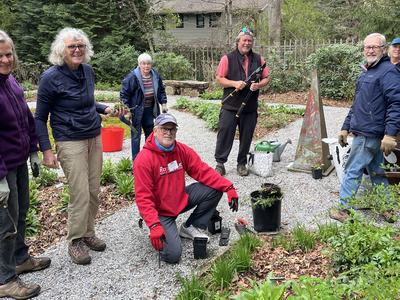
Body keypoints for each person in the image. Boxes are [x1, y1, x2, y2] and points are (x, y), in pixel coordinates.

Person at [35, 28, 117, 265]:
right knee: (79, 192)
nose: (77, 50)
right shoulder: (51, 77)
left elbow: (88, 101)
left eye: (81, 46)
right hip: (69, 140)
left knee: (93, 190)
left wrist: (104, 108)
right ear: (62, 50)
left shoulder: (87, 71)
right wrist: (46, 150)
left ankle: (88, 233)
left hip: (93, 135)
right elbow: (40, 117)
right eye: (72, 46)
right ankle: (75, 241)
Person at [134, 113, 239, 264]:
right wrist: (154, 224)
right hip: (160, 212)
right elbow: (143, 197)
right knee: (173, 255)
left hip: (179, 199)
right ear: (155, 131)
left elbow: (202, 170)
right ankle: (161, 229)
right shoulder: (144, 160)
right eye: (164, 128)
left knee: (215, 188)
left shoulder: (181, 150)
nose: (168, 133)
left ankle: (191, 226)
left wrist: (228, 187)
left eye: (172, 129)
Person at [0, 30, 50, 299]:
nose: (7, 60)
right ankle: (5, 279)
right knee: (3, 224)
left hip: (18, 161)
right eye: (1, 56)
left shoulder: (10, 82)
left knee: (20, 213)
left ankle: (20, 258)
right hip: (2, 168)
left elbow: (26, 119)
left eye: (9, 54)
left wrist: (33, 151)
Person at [330, 33, 400, 223]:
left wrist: (391, 134)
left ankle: (344, 209)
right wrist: (345, 127)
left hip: (370, 134)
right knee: (377, 172)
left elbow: (396, 103)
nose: (370, 50)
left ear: (383, 49)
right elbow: (357, 104)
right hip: (366, 132)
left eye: (374, 47)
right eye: (367, 47)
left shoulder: (387, 72)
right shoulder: (368, 71)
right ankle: (388, 208)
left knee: (352, 170)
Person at [214, 27, 270, 177]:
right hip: (230, 106)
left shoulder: (259, 59)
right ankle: (220, 163)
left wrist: (258, 85)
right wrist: (234, 83)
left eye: (249, 41)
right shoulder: (227, 58)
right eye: (244, 40)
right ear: (238, 41)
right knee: (225, 134)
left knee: (246, 136)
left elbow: (266, 77)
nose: (247, 43)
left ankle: (242, 163)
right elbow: (219, 78)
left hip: (250, 107)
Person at [120, 53, 168, 161]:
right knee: (136, 136)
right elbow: (124, 94)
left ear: (151, 64)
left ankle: (148, 160)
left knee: (150, 135)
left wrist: (163, 103)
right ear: (139, 64)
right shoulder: (132, 77)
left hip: (149, 110)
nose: (146, 66)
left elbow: (161, 90)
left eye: (148, 64)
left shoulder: (155, 75)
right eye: (143, 64)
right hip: (136, 111)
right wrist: (127, 110)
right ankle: (136, 162)